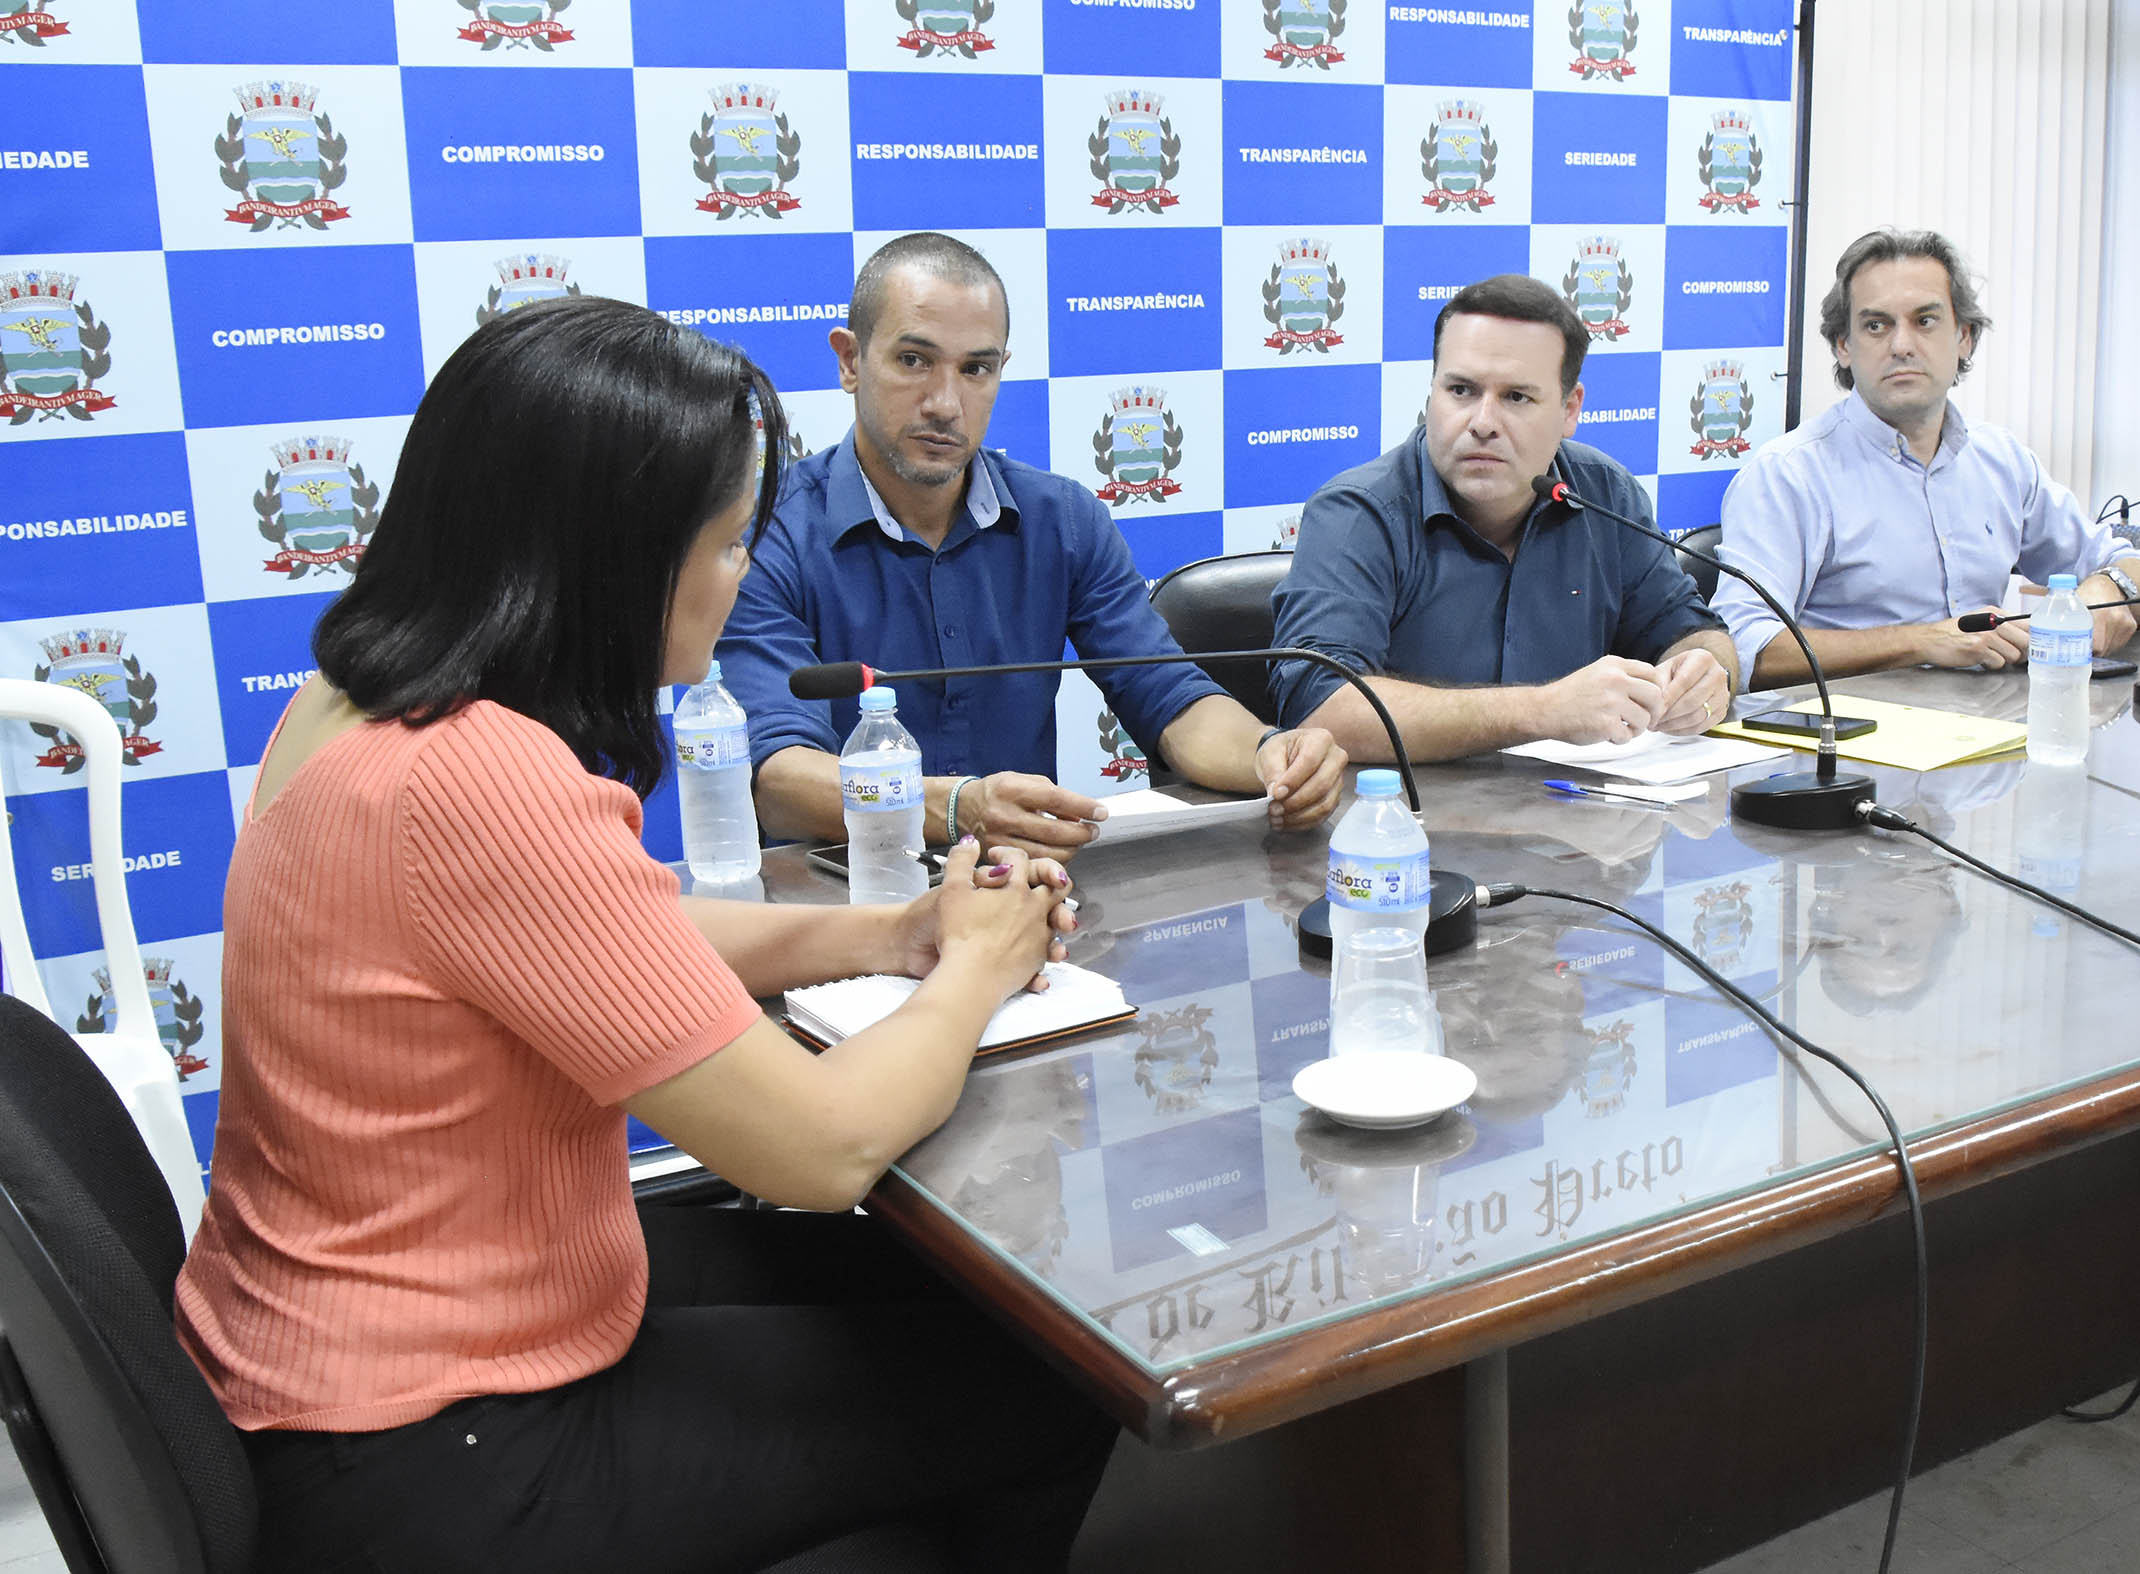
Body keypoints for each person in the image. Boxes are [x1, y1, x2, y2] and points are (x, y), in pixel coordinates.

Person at [173, 296, 1115, 1574]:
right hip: (432, 1449)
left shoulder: (353, 700)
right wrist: (984, 964)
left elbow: (615, 932)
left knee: (953, 1299)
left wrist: (893, 930)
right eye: (729, 543)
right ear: (611, 557)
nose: (739, 577)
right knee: (1054, 1379)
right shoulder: (480, 779)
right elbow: (821, 1145)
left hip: (334, 1349)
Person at [720, 232, 1347, 861]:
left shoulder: (1063, 519)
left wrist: (1272, 753)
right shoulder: (765, 536)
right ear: (850, 361)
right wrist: (959, 807)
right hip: (841, 909)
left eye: (975, 369)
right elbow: (777, 779)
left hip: (1021, 894)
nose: (944, 403)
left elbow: (1170, 699)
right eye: (914, 360)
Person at [1269, 273, 1737, 762]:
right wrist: (1542, 711)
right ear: (1432, 392)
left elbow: (1691, 630)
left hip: (1580, 816)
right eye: (1462, 390)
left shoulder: (1606, 493)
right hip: (1406, 821)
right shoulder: (1357, 512)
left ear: (1570, 408)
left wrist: (1706, 673)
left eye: (1516, 397)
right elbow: (1318, 709)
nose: (1483, 422)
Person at [1712, 227, 2140, 689]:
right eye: (1876, 325)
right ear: (1844, 346)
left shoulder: (2000, 459)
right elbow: (1745, 647)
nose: (1902, 345)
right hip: (1849, 743)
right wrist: (1922, 642)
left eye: (1924, 321)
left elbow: (2132, 567)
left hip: (1987, 730)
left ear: (1964, 337)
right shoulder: (1788, 474)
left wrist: (2108, 590)